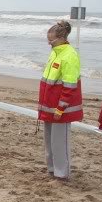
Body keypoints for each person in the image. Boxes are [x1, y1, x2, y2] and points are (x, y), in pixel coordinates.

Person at [38, 20, 83, 180]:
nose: (49, 43)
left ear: (62, 38)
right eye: (48, 40)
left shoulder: (70, 55)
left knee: (60, 142)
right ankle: (52, 168)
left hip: (61, 108)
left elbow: (70, 86)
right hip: (49, 106)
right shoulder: (55, 52)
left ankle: (62, 173)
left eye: (52, 40)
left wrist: (60, 108)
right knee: (49, 140)